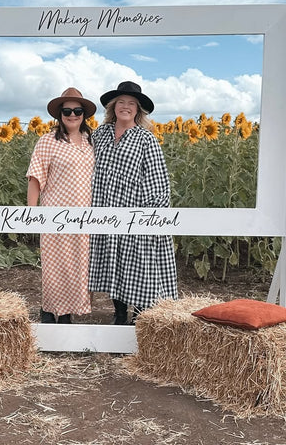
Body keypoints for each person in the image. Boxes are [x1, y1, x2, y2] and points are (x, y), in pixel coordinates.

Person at [89, 81, 178, 324]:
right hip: (105, 210)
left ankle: (140, 315)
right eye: (121, 102)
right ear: (113, 107)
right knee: (114, 262)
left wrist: (150, 215)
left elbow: (157, 178)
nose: (125, 107)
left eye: (131, 103)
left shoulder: (146, 139)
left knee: (139, 263)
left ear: (138, 110)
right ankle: (119, 313)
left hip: (136, 210)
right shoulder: (100, 135)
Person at [27, 87, 96, 323]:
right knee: (55, 264)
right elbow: (35, 177)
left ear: (84, 114)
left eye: (77, 110)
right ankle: (49, 310)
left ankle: (67, 313)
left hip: (85, 215)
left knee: (79, 265)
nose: (72, 115)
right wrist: (31, 213)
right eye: (67, 111)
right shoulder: (47, 141)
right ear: (60, 114)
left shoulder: (91, 141)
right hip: (54, 214)